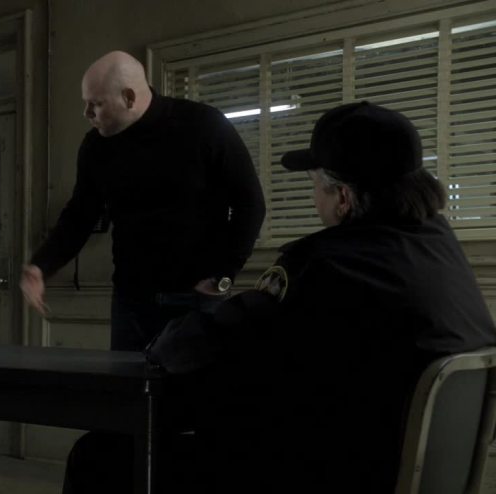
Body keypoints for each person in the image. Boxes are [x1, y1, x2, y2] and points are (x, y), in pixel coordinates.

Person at [64, 102, 496, 493]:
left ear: (343, 197)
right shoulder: (442, 252)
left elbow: (203, 343)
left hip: (329, 472)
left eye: (315, 183)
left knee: (100, 457)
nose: (314, 196)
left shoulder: (325, 262)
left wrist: (163, 344)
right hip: (404, 471)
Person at [21, 50, 265, 351]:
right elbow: (80, 216)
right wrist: (40, 266)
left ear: (129, 97)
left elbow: (250, 204)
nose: (87, 113)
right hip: (130, 301)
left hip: (196, 298)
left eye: (96, 104)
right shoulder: (96, 147)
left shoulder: (203, 125)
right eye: (86, 103)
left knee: (195, 381)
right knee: (126, 381)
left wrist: (223, 275)